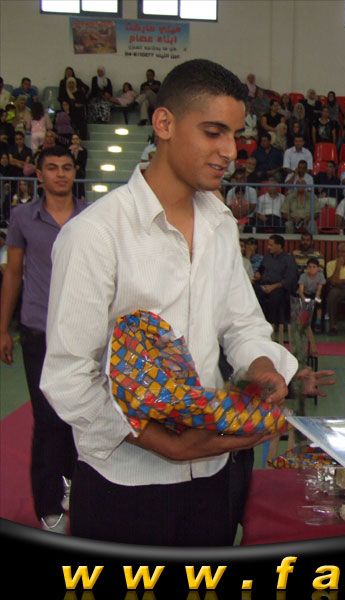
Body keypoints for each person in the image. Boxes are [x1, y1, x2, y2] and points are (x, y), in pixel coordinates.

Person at [40, 59, 301, 546]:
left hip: (212, 474)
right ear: (164, 124)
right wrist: (165, 445)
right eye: (213, 132)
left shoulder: (219, 223)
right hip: (124, 482)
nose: (230, 151)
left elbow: (242, 324)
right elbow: (68, 376)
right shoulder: (96, 235)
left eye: (235, 135)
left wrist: (263, 369)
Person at [0, 146, 86, 534]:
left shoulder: (90, 216)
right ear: (39, 175)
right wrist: (3, 328)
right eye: (52, 168)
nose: (60, 174)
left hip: (83, 334)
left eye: (66, 167)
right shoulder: (23, 217)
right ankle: (49, 504)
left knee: (81, 417)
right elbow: (13, 273)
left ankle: (75, 487)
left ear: (74, 172)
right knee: (48, 419)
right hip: (37, 331)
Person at [255, 234, 297, 345]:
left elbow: (289, 279)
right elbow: (261, 269)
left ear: (279, 246)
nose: (268, 247)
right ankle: (256, 326)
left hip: (279, 287)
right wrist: (258, 273)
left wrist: (273, 286)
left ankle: (272, 326)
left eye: (271, 245)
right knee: (252, 293)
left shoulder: (288, 259)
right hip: (264, 285)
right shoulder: (267, 257)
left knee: (275, 297)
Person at [297, 258, 326, 354]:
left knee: (319, 302)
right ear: (307, 268)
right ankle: (304, 324)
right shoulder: (303, 276)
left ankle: (318, 321)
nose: (311, 269)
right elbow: (301, 291)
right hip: (305, 294)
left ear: (318, 268)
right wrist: (305, 299)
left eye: (314, 267)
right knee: (305, 305)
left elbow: (319, 290)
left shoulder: (320, 276)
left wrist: (317, 298)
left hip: (315, 294)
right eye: (309, 267)